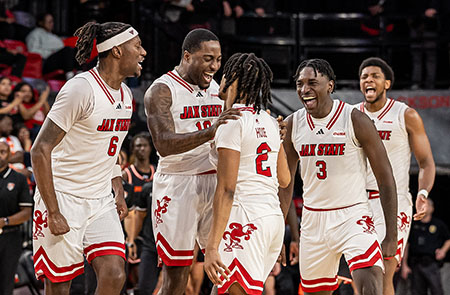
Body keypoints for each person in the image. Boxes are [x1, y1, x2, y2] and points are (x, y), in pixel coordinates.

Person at [30, 21, 146, 294]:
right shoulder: (80, 89)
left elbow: (111, 147)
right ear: (117, 51)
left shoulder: (127, 95)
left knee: (115, 273)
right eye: (137, 46)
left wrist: (117, 188)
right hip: (63, 196)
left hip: (100, 200)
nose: (143, 53)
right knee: (59, 287)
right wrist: (53, 210)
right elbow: (40, 150)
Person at [279, 58, 398, 294]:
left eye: (312, 82)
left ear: (330, 85)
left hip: (352, 215)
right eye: (300, 83)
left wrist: (391, 235)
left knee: (371, 284)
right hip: (313, 222)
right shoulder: (293, 124)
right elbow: (285, 185)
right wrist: (279, 234)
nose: (304, 90)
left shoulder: (355, 119)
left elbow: (386, 179)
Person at [144, 28, 240, 295]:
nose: (215, 66)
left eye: (219, 59)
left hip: (216, 181)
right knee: (177, 277)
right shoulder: (162, 90)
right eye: (208, 59)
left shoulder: (217, 88)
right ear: (187, 56)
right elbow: (163, 143)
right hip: (178, 183)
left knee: (228, 266)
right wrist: (210, 132)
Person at [203, 52, 291, 295]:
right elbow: (284, 179)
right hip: (271, 218)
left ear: (231, 78)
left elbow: (227, 188)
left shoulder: (232, 121)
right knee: (222, 289)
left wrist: (211, 247)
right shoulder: (271, 121)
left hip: (245, 217)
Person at [357, 57, 436, 295]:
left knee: (383, 272)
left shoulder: (406, 115)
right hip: (358, 202)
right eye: (364, 77)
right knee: (361, 278)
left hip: (394, 201)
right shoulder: (352, 116)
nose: (368, 80)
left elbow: (426, 163)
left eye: (375, 76)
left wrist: (423, 192)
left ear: (387, 83)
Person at [122, 133, 158, 295]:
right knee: (134, 283)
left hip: (151, 233)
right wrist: (130, 239)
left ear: (151, 148)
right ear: (132, 150)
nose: (142, 149)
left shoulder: (157, 174)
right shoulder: (127, 174)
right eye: (138, 146)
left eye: (145, 145)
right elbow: (130, 212)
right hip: (131, 234)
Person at [0, 140, 33, 295]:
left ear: (10, 155)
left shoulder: (18, 179)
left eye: (2, 152)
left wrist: (5, 221)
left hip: (10, 237)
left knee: (6, 284)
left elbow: (27, 212)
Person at [401, 198, 450, 295]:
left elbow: (448, 239)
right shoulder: (413, 224)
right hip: (415, 263)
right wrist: (404, 265)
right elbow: (407, 245)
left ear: (432, 208)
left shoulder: (438, 224)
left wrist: (443, 251)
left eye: (426, 205)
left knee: (437, 290)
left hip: (431, 263)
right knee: (416, 291)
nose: (423, 207)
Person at [25, 13, 79, 79]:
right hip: (45, 63)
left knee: (76, 50)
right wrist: (50, 52)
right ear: (41, 22)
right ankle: (70, 76)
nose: (51, 24)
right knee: (67, 50)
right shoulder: (35, 33)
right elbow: (33, 51)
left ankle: (80, 72)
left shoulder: (52, 35)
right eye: (49, 22)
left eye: (52, 21)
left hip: (60, 59)